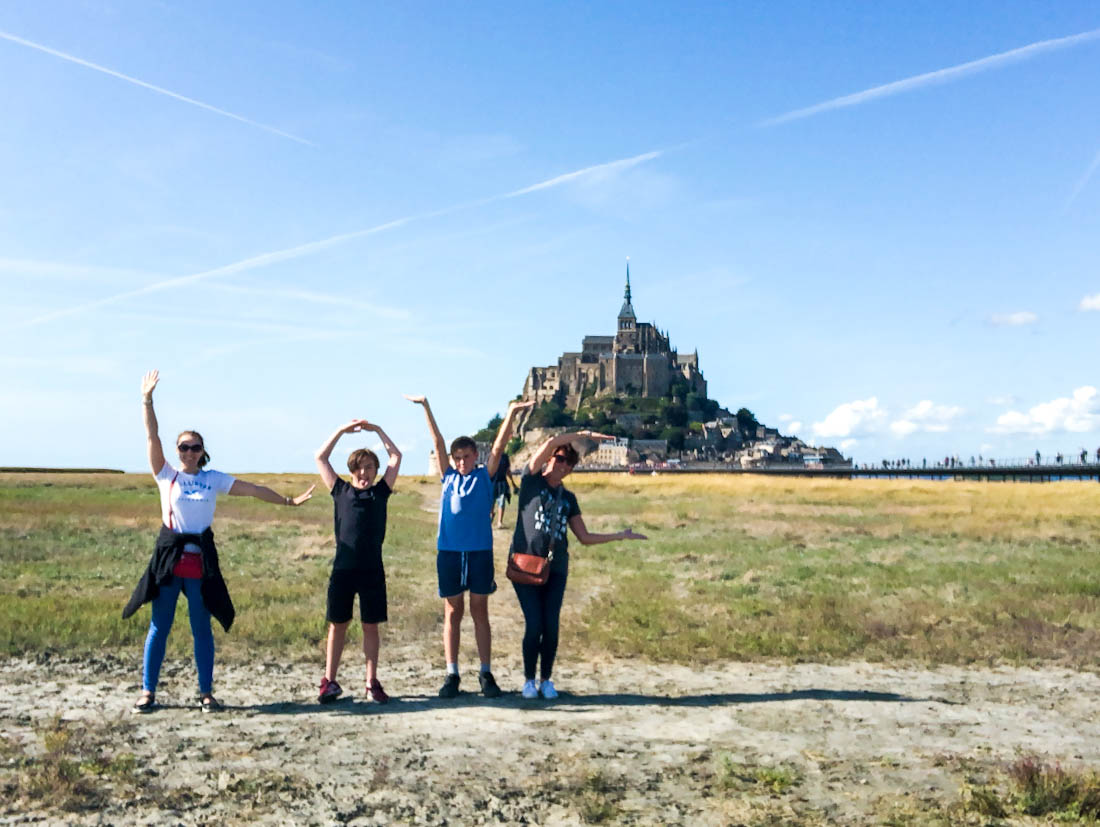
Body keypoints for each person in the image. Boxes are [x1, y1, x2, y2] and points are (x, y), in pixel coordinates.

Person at [124, 370, 314, 713]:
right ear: (177, 451)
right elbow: (151, 436)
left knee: (202, 629)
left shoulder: (213, 479)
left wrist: (287, 501)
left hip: (200, 562)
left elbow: (253, 490)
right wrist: (147, 400)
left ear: (202, 452)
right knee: (159, 626)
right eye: (184, 447)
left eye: (195, 447)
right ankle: (148, 692)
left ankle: (206, 693)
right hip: (169, 560)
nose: (189, 452)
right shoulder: (167, 475)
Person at [404, 395, 533, 698]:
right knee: (452, 612)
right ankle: (452, 674)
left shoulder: (484, 478)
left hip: (478, 553)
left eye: (467, 456)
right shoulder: (448, 477)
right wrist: (426, 407)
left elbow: (500, 447)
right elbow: (437, 441)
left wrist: (511, 413)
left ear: (476, 455)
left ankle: (486, 673)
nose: (462, 462)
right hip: (449, 553)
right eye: (457, 457)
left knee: (479, 611)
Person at [510, 430, 646, 700]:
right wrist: (583, 434)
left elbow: (583, 537)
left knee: (550, 626)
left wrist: (619, 535)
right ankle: (528, 680)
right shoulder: (531, 481)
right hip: (525, 566)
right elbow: (550, 442)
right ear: (550, 458)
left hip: (556, 568)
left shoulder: (568, 499)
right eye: (559, 458)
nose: (562, 465)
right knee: (534, 624)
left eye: (568, 463)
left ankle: (546, 680)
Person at [314, 419, 402, 704]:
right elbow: (321, 457)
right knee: (337, 624)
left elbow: (396, 457)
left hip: (372, 570)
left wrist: (377, 430)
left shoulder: (380, 492)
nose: (364, 472)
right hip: (343, 569)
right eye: (359, 467)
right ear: (351, 470)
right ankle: (329, 681)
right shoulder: (340, 490)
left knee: (370, 625)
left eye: (369, 467)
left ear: (376, 471)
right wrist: (341, 431)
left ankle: (371, 682)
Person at [490, 450, 519, 529]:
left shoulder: (505, 457)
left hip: (502, 483)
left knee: (502, 501)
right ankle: (491, 515)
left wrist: (512, 482)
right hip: (493, 483)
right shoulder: (491, 456)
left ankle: (500, 522)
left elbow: (507, 471)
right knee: (491, 503)